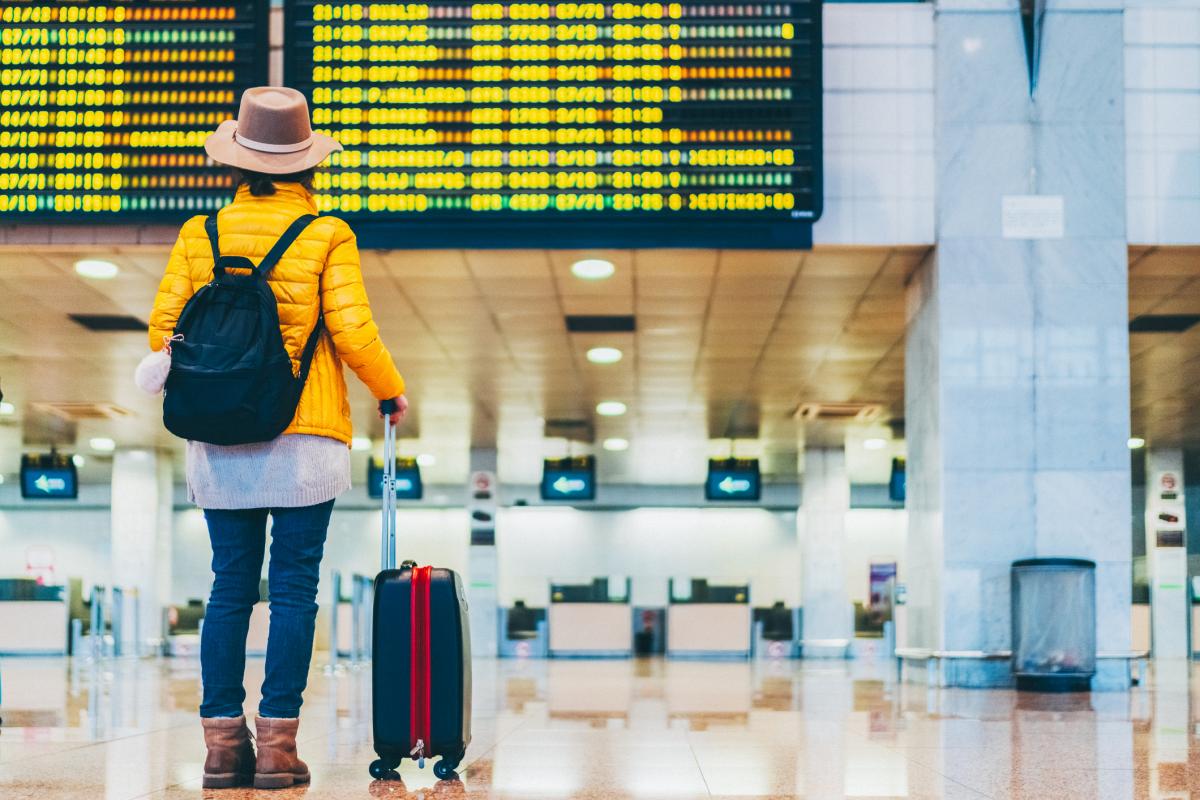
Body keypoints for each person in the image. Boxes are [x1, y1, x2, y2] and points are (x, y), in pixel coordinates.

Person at [147, 86, 407, 790]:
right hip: (303, 434)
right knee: (293, 590)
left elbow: (162, 333)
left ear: (238, 163)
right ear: (308, 166)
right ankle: (278, 749)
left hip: (220, 435)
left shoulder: (199, 234)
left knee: (229, 588)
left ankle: (220, 747)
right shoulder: (327, 233)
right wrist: (389, 390)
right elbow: (353, 331)